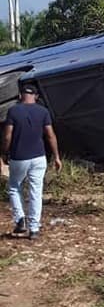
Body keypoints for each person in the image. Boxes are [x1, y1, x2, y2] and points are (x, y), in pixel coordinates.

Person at [1, 82, 62, 240]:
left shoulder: (13, 111)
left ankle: (20, 219)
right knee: (36, 191)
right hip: (39, 157)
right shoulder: (43, 111)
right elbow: (50, 135)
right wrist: (56, 157)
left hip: (19, 157)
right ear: (36, 97)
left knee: (15, 187)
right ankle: (34, 228)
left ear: (20, 96)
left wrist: (4, 153)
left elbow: (8, 135)